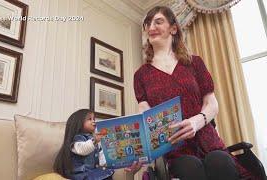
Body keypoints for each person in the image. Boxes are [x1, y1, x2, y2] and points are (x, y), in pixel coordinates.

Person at [134, 6, 256, 180]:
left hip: (207, 137)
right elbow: (144, 113)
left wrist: (196, 122)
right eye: (147, 23)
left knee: (220, 161)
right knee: (190, 167)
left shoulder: (195, 63)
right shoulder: (141, 75)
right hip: (174, 146)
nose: (151, 27)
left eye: (158, 22)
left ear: (173, 28)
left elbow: (212, 103)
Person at [53, 109, 114, 180]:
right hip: (81, 174)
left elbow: (100, 156)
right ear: (78, 123)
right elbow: (82, 150)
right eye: (89, 119)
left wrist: (110, 162)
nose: (94, 121)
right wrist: (94, 141)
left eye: (94, 119)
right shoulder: (78, 138)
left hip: (92, 172)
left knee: (108, 173)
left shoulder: (95, 140)